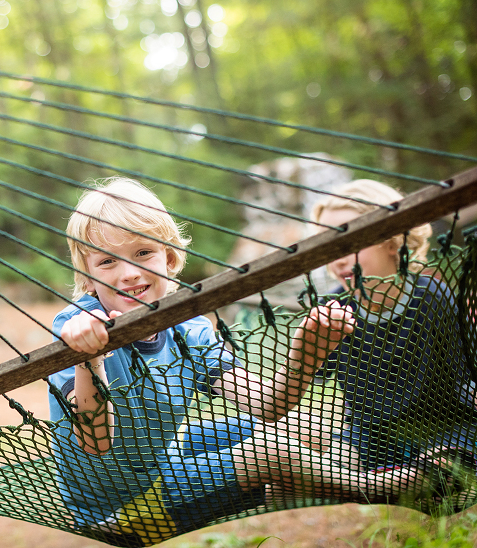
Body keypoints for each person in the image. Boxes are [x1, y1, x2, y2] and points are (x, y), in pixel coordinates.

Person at [47, 177, 420, 547]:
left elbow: (266, 404)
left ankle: (378, 465)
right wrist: (88, 360)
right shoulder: (77, 327)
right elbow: (95, 443)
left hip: (159, 460)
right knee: (272, 454)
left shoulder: (188, 328)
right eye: (108, 261)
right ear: (88, 276)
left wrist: (305, 355)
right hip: (117, 506)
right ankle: (387, 486)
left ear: (170, 257)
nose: (128, 273)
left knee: (303, 428)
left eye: (143, 253)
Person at [306, 179, 477, 473]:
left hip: (442, 428)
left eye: (350, 242)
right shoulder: (333, 309)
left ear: (391, 241)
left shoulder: (432, 297)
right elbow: (312, 372)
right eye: (329, 246)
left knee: (445, 468)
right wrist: (311, 340)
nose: (340, 257)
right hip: (370, 438)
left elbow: (465, 379)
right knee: (321, 469)